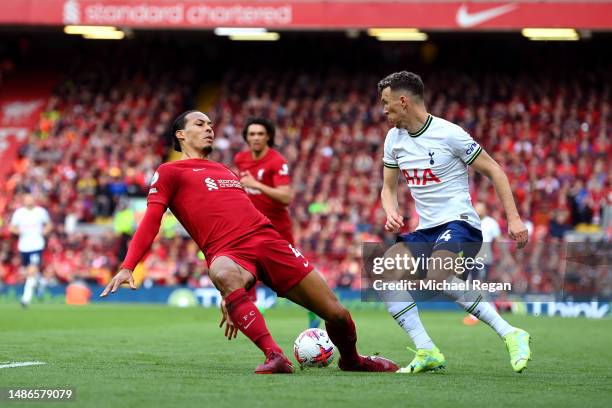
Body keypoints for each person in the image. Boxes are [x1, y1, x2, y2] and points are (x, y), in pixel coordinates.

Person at [100, 110, 398, 374]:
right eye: (200, 124)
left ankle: (352, 360)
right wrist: (128, 265)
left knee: (336, 313)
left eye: (211, 124)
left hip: (269, 240)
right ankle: (275, 355)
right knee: (222, 273)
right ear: (180, 134)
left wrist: (236, 299)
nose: (209, 128)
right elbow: (152, 218)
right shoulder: (169, 172)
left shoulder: (226, 170)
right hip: (228, 251)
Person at [378, 71, 531, 373]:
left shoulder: (450, 134)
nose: (383, 109)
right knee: (386, 274)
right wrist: (391, 210)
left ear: (403, 101)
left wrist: (514, 219)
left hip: (460, 223)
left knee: (436, 277)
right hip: (427, 230)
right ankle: (426, 350)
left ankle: (511, 333)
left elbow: (495, 171)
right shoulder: (393, 140)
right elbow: (387, 187)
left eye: (386, 102)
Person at [235, 117, 320, 328]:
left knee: (293, 278)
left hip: (277, 229)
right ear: (246, 137)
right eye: (251, 134)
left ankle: (314, 307)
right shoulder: (241, 159)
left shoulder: (276, 161)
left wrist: (256, 184)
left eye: (260, 134)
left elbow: (286, 197)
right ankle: (252, 309)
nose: (255, 138)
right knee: (245, 266)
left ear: (268, 137)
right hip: (251, 227)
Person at [10, 194, 52, 307]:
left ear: (34, 200)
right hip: (24, 246)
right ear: (24, 201)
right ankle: (41, 283)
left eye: (31, 199)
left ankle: (25, 299)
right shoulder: (19, 213)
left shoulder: (40, 212)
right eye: (27, 199)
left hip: (37, 245)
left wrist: (44, 232)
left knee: (31, 271)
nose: (29, 201)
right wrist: (21, 232)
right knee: (28, 271)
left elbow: (49, 225)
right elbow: (12, 227)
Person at [463, 202, 502, 325]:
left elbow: (499, 240)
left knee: (479, 285)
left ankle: (475, 315)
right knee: (473, 285)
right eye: (477, 208)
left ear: (485, 210)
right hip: (471, 257)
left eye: (480, 209)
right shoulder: (470, 221)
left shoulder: (491, 223)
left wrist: (501, 255)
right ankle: (491, 310)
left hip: (484, 258)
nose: (478, 211)